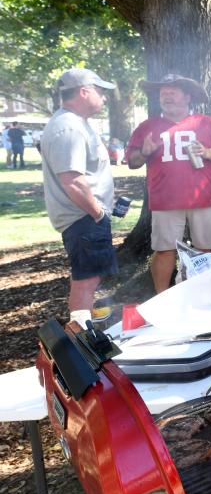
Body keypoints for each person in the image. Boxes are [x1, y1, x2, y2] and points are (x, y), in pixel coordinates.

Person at [126, 74, 211, 294]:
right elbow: (132, 162)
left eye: (172, 92)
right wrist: (144, 152)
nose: (166, 96)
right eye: (163, 93)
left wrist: (209, 152)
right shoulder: (148, 126)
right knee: (164, 250)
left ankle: (204, 294)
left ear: (187, 97)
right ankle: (162, 297)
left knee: (205, 250)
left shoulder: (208, 123)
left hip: (203, 198)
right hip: (165, 200)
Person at [40, 68, 118, 313]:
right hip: (82, 218)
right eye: (100, 92)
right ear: (84, 92)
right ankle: (80, 338)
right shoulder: (69, 127)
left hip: (84, 217)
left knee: (88, 280)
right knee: (86, 281)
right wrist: (98, 213)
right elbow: (72, 180)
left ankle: (83, 334)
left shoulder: (72, 123)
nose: (104, 98)